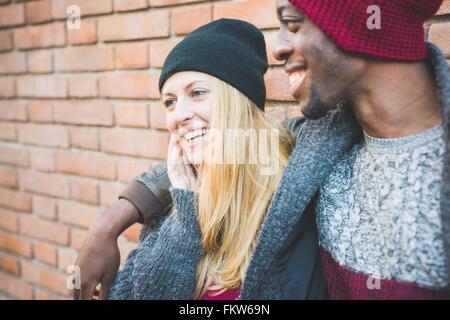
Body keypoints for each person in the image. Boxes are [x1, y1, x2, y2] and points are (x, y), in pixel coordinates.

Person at [77, 0, 450, 299]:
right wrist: (112, 220)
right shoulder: (184, 196)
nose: (279, 47)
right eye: (169, 102)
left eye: (198, 93)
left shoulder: (300, 166)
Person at [83, 19, 355, 300]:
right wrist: (184, 219)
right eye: (170, 102)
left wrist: (110, 221)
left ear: (238, 99)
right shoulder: (175, 204)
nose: (178, 115)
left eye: (197, 93)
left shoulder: (296, 184)